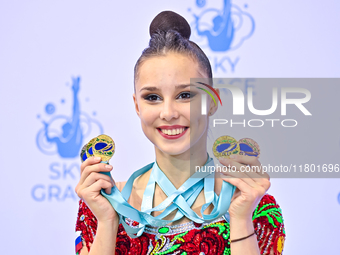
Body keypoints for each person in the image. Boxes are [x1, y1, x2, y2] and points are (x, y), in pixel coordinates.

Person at [75, 11, 285, 255]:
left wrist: (240, 218)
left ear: (213, 101)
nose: (168, 112)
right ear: (137, 106)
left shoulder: (254, 206)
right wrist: (108, 221)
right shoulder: (103, 205)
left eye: (185, 95)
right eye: (152, 97)